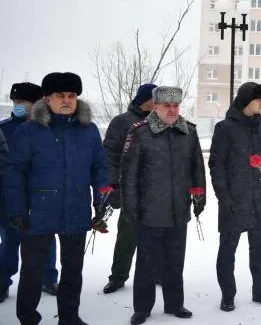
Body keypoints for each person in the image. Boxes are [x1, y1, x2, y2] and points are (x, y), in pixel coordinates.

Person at [4, 72, 111, 325]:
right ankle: (28, 318)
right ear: (47, 98)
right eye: (60, 95)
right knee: (32, 271)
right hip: (37, 212)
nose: (66, 100)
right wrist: (16, 210)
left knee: (73, 271)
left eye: (71, 95)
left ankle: (69, 317)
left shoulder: (89, 130)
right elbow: (14, 171)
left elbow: (99, 168)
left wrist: (102, 199)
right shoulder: (29, 130)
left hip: (76, 209)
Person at [121, 86, 206, 325]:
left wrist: (199, 197)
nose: (172, 110)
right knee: (147, 262)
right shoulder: (140, 132)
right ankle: (143, 307)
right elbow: (129, 175)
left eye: (175, 106)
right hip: (149, 211)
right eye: (166, 106)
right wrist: (131, 207)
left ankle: (174, 303)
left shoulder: (188, 132)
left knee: (175, 261)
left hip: (179, 209)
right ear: (155, 107)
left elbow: (197, 168)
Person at [209, 82, 261, 312]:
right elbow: (216, 166)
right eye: (259, 99)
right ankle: (228, 294)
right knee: (227, 251)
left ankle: (260, 291)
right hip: (234, 201)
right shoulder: (225, 128)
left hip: (258, 200)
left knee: (259, 250)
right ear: (247, 100)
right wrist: (224, 198)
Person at [0, 82, 60, 303]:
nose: (17, 106)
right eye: (15, 102)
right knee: (9, 240)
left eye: (22, 102)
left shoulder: (50, 128)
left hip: (42, 196)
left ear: (36, 103)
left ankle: (48, 278)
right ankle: (2, 281)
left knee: (47, 239)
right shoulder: (3, 129)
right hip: (8, 197)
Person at [101, 83, 157, 294]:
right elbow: (110, 156)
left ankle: (158, 272)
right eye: (155, 99)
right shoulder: (122, 122)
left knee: (158, 235)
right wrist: (114, 186)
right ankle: (118, 276)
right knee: (127, 235)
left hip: (156, 190)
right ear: (144, 100)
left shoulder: (160, 121)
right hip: (130, 189)